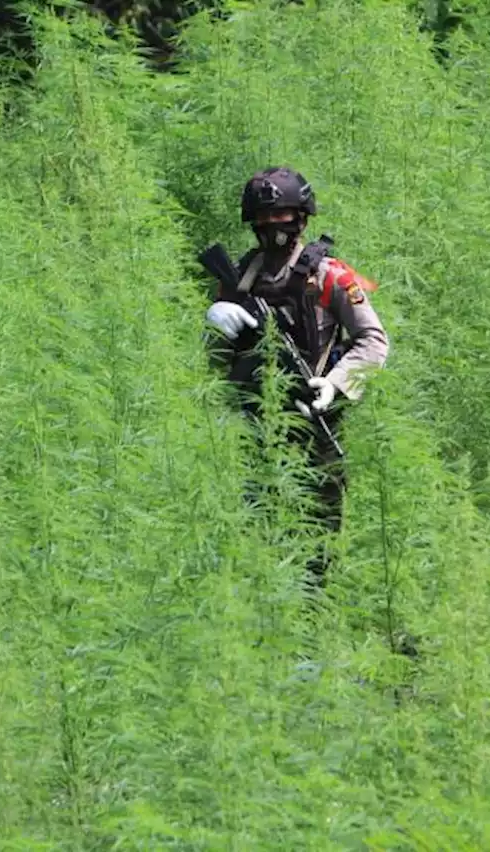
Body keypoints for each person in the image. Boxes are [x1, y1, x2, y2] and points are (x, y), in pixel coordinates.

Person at [204, 167, 389, 590]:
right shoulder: (238, 277)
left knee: (319, 545)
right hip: (251, 427)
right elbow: (214, 364)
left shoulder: (330, 274)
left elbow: (373, 341)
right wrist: (214, 326)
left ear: (302, 217)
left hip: (312, 422)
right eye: (264, 220)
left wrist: (335, 383)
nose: (273, 228)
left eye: (282, 217)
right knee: (255, 537)